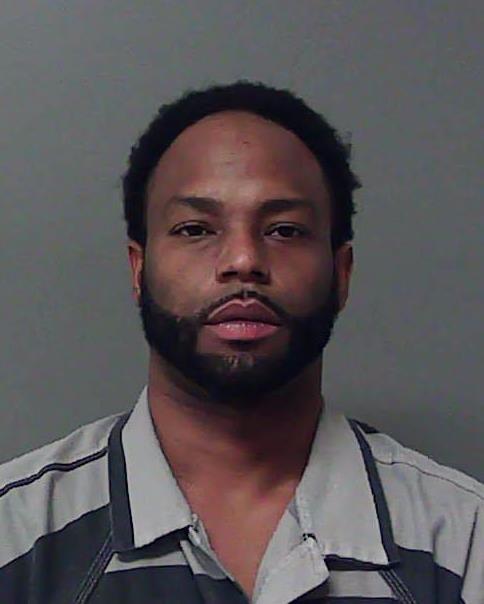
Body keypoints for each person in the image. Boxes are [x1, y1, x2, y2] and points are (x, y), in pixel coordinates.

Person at [0, 81, 482, 604]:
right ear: (139, 269)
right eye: (194, 229)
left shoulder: (463, 544)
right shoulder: (17, 536)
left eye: (285, 230)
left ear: (341, 273)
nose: (243, 260)